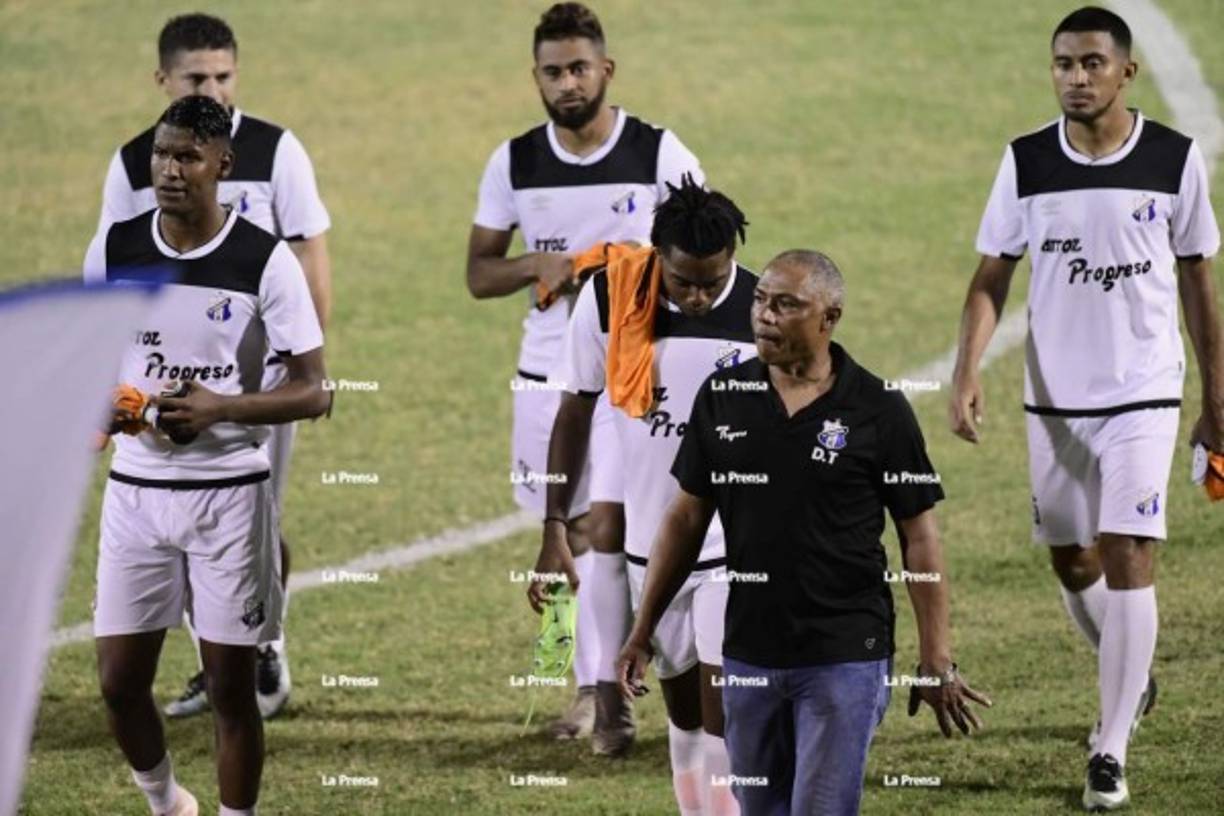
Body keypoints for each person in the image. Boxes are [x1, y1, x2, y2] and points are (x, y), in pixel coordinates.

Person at [949, 6, 1222, 810]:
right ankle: (1130, 674)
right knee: (1073, 560)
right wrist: (966, 370)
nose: (1076, 77)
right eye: (1064, 64)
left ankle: (1110, 747)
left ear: (1125, 72)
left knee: (1128, 547)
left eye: (1092, 63)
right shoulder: (1027, 161)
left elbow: (1199, 281)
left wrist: (1216, 399)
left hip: (1145, 390)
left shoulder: (1173, 159)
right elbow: (991, 275)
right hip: (1055, 401)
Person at [623, 251, 990, 815]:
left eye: (786, 304)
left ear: (829, 318)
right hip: (749, 652)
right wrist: (643, 628)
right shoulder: (723, 396)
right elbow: (686, 518)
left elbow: (919, 536)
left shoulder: (878, 410)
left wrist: (936, 656)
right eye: (760, 300)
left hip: (844, 653)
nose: (765, 315)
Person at [467, 1, 703, 746]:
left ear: (606, 69)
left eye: (578, 68)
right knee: (568, 534)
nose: (567, 83)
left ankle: (623, 685)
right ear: (535, 77)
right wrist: (533, 266)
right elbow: (478, 273)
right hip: (546, 374)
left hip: (639, 376)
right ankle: (592, 686)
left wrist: (623, 268)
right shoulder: (514, 162)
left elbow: (705, 250)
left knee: (622, 526)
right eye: (552, 72)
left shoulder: (659, 153)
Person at [85, 96, 328, 816]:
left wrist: (221, 408)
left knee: (230, 690)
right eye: (162, 154)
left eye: (188, 156)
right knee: (118, 683)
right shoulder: (114, 249)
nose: (170, 169)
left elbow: (314, 390)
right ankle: (168, 804)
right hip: (135, 491)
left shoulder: (264, 258)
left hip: (229, 495)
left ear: (223, 164)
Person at [529, 176, 751, 812]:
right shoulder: (610, 297)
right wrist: (553, 526)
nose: (699, 296)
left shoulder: (761, 308)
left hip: (733, 549)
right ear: (658, 257)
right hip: (651, 552)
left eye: (713, 281)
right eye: (684, 282)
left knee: (724, 712)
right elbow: (575, 410)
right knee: (684, 717)